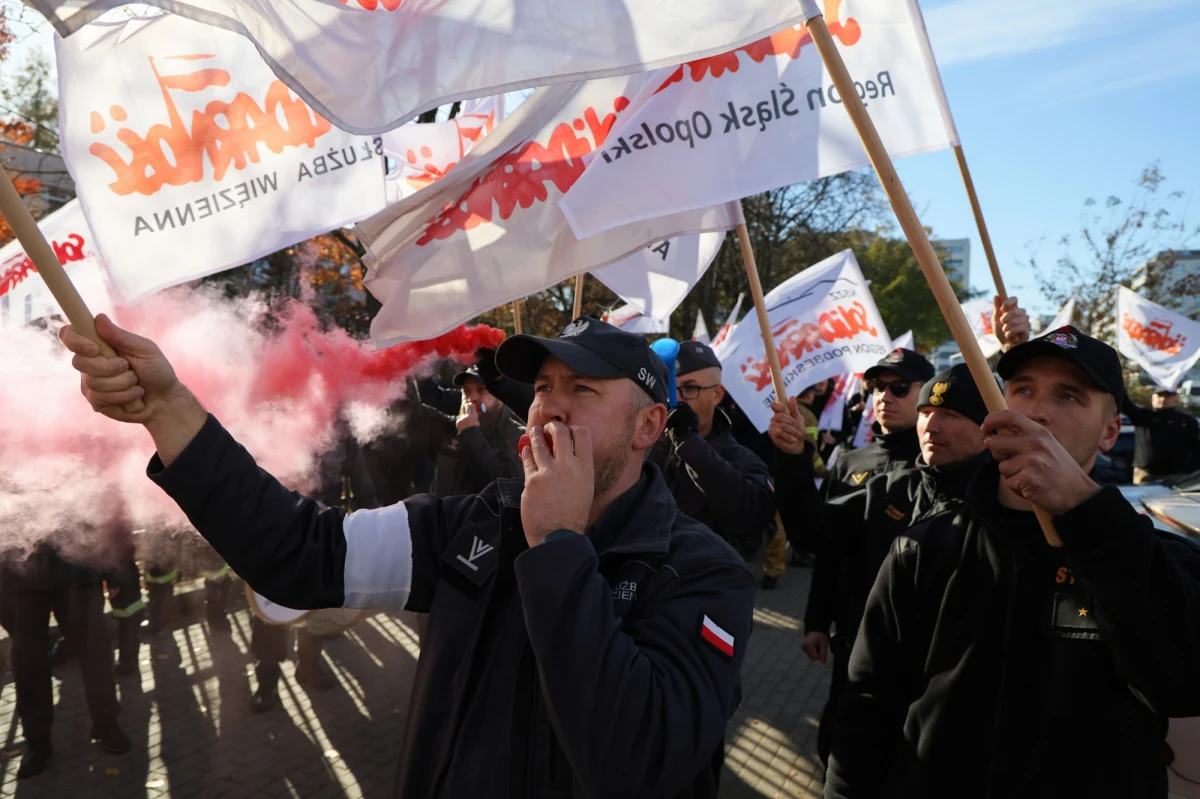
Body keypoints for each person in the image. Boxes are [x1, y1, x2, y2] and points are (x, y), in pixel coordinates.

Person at [62, 313, 756, 799]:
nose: (549, 407)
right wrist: (170, 408)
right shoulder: (478, 521)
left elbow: (632, 762)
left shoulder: (704, 572)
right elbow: (300, 552)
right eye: (544, 386)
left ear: (648, 425)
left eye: (582, 389)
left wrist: (562, 545)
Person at [825, 325, 1200, 798]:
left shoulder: (1154, 557)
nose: (1037, 411)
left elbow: (1181, 683)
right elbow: (867, 707)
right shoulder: (927, 548)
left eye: (1069, 396)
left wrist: (1087, 515)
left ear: (1110, 433)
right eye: (1022, 389)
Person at [803, 364, 992, 767]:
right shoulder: (889, 487)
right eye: (926, 413)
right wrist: (790, 460)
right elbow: (819, 537)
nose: (931, 425)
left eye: (951, 415)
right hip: (864, 660)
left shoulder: (1008, 505)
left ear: (987, 428)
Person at [251, 422, 380, 711]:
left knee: (315, 605)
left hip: (322, 529)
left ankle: (308, 666)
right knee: (270, 609)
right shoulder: (271, 413)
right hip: (277, 527)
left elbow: (361, 483)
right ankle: (266, 681)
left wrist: (375, 526)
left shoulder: (341, 425)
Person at [0, 537, 132, 778]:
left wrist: (112, 570)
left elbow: (98, 509)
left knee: (96, 653)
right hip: (18, 574)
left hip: (77, 567)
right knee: (28, 662)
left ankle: (107, 724)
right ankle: (37, 742)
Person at [651, 340, 776, 561]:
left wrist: (690, 444)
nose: (675, 398)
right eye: (668, 386)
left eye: (690, 388)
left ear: (717, 395)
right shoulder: (641, 447)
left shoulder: (742, 459)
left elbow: (753, 519)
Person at [820, 349, 934, 500]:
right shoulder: (848, 464)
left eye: (900, 387)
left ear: (927, 393)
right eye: (878, 386)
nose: (884, 397)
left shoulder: (937, 466)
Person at [1123, 388, 1200, 483]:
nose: (1163, 399)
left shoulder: (1186, 421)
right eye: (1160, 396)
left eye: (1168, 396)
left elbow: (1196, 449)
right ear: (1152, 399)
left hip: (1176, 475)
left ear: (1176, 399)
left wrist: (1191, 472)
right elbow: (1124, 404)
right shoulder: (1143, 416)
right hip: (1146, 474)